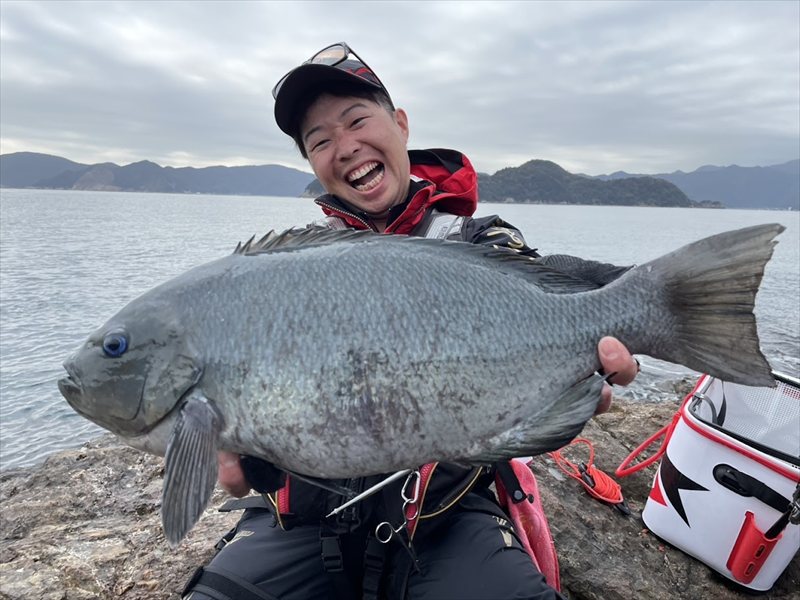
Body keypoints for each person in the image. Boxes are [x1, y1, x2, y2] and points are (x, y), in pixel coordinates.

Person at [182, 42, 639, 600]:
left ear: (400, 124)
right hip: (299, 525)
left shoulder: (480, 242)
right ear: (313, 164)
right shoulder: (292, 270)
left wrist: (603, 327)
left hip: (448, 522)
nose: (345, 147)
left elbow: (536, 285)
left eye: (357, 121)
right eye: (320, 141)